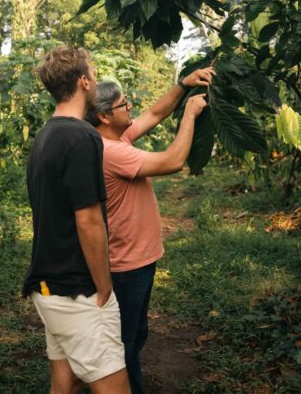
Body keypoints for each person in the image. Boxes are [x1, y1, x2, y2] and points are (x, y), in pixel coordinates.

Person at [85, 67, 214, 394]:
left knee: (134, 334)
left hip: (137, 260)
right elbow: (172, 161)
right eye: (123, 105)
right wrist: (189, 116)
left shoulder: (118, 136)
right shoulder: (112, 152)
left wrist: (185, 84)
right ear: (103, 116)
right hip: (126, 265)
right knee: (124, 344)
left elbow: (156, 112)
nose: (130, 107)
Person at [23, 45, 130, 394]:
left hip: (47, 287)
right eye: (94, 73)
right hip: (76, 291)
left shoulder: (45, 135)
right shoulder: (82, 137)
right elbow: (88, 221)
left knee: (63, 384)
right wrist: (103, 287)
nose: (97, 79)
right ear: (83, 81)